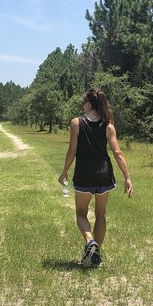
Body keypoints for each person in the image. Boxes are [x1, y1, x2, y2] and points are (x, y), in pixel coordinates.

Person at [58, 87, 132, 267]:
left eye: (84, 103)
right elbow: (117, 152)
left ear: (89, 103)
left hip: (84, 174)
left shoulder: (77, 123)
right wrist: (127, 177)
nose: (83, 106)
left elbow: (72, 150)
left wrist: (64, 172)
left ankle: (89, 241)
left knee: (81, 213)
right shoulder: (108, 125)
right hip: (104, 175)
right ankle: (96, 253)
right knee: (100, 214)